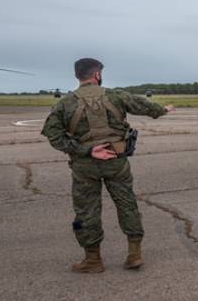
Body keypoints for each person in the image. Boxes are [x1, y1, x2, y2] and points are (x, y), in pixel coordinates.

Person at [41, 58, 175, 273]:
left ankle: (93, 260)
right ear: (96, 75)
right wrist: (164, 109)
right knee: (127, 204)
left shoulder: (64, 103)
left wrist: (87, 150)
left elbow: (54, 137)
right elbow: (146, 107)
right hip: (116, 161)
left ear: (78, 76)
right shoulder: (116, 95)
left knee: (86, 211)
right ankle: (134, 254)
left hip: (85, 166)